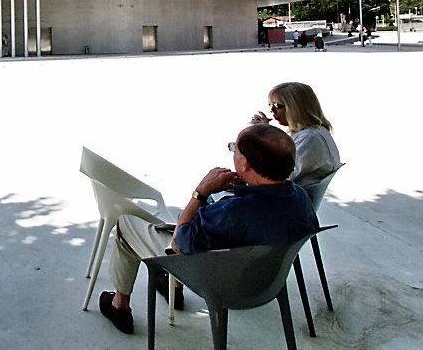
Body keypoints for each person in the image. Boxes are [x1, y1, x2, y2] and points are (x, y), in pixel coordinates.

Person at [98, 124, 318, 335]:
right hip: (266, 283)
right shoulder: (301, 198)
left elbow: (179, 243)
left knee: (126, 224)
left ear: (245, 165)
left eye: (235, 149)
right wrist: (244, 187)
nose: (233, 152)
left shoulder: (230, 213)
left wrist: (200, 192)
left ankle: (120, 307)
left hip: (218, 282)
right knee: (192, 218)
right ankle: (172, 286)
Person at [250, 82, 341, 187]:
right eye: (270, 105)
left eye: (277, 105)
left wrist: (263, 134)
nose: (272, 110)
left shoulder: (310, 140)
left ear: (296, 107)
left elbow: (275, 176)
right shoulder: (314, 133)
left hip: (283, 200)